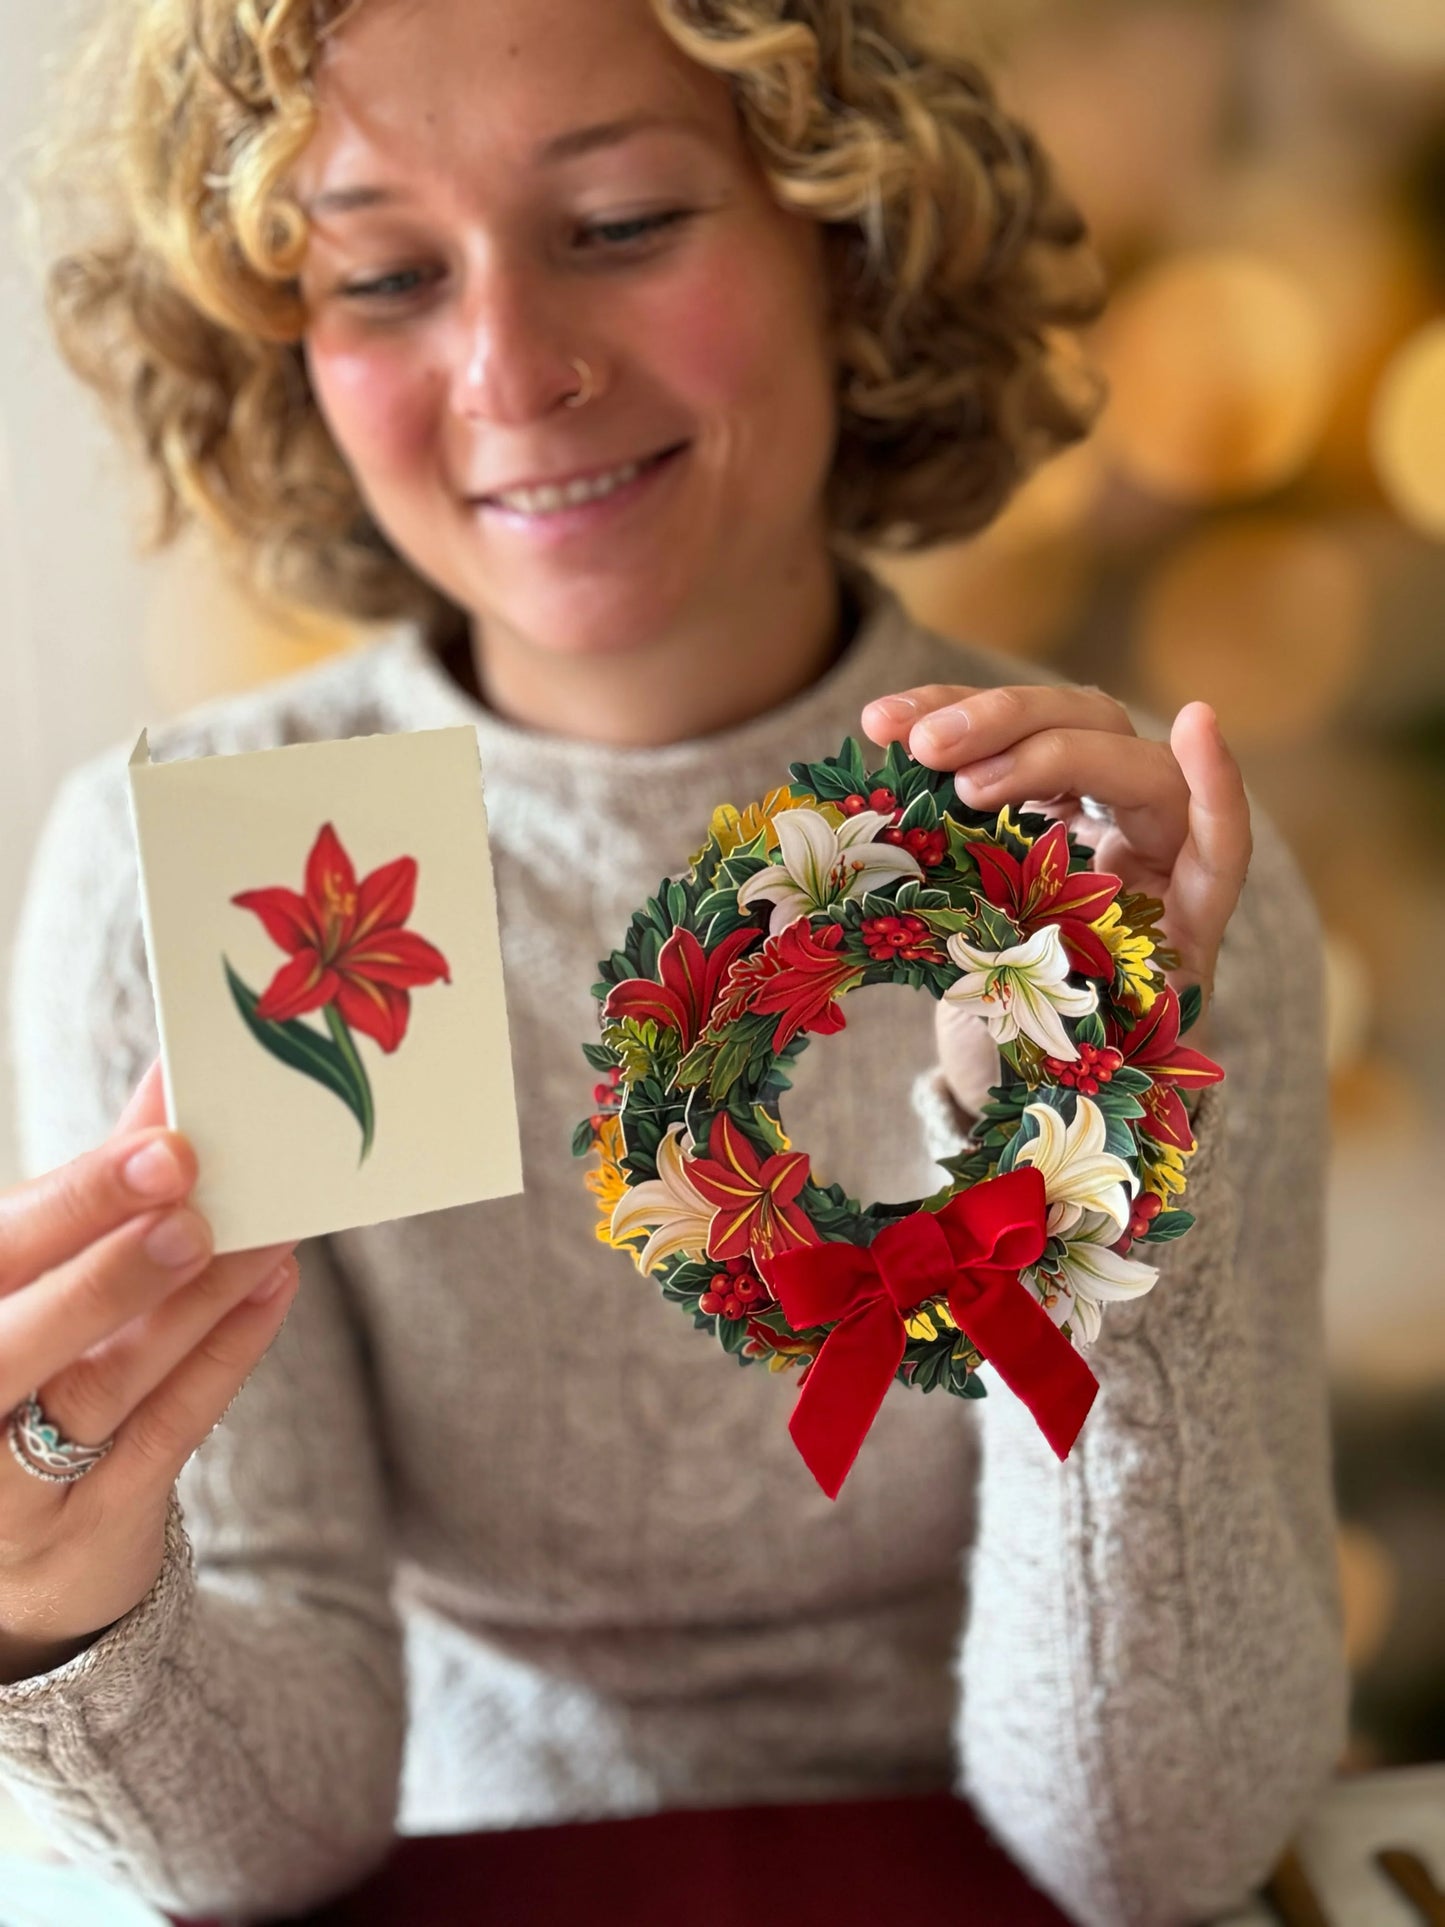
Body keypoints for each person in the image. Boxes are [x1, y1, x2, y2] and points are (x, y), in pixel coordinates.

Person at [0, 0, 1347, 1922]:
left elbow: (1152, 1853)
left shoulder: (1119, 865)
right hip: (461, 1873)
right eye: (385, 273)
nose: (511, 368)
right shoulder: (182, 881)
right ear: (280, 343)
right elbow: (270, 1841)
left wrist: (1093, 1145)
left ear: (847, 237)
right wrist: (58, 1607)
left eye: (621, 221)